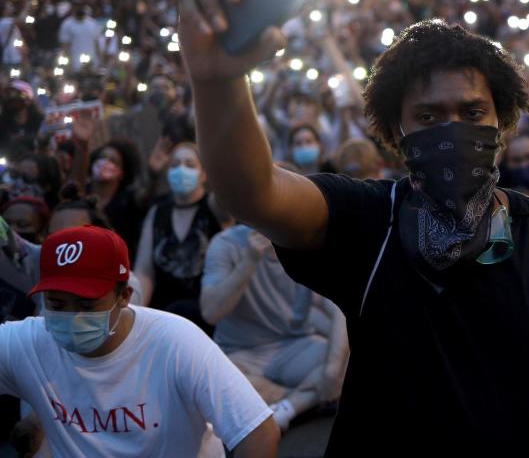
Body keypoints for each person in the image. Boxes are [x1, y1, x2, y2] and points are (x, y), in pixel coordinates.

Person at [177, 0, 529, 455]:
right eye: (430, 118)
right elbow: (253, 193)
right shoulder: (368, 221)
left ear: (503, 123)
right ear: (396, 131)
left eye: (473, 113)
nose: (453, 131)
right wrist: (217, 81)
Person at [0, 225, 278, 456]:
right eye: (57, 304)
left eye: (87, 305)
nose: (72, 316)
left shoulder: (176, 342)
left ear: (124, 297)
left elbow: (258, 432)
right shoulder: (25, 343)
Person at [200, 225, 348, 432]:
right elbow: (210, 312)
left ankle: (287, 407)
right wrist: (248, 262)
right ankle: (306, 400)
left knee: (346, 359)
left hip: (295, 347)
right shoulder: (225, 244)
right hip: (242, 354)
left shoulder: (306, 242)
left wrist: (332, 369)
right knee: (214, 385)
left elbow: (339, 305)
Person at [135, 142, 224, 329]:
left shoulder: (215, 208)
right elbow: (144, 271)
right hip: (165, 315)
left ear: (203, 174)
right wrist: (136, 315)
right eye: (175, 165)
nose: (181, 170)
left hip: (208, 315)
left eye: (190, 165)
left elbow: (227, 190)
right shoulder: (157, 212)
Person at [57, 1, 101, 71]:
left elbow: (97, 43)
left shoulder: (92, 23)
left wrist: (100, 61)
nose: (79, 9)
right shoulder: (67, 24)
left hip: (92, 63)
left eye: (81, 7)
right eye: (77, 7)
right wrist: (68, 64)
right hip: (75, 64)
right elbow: (65, 45)